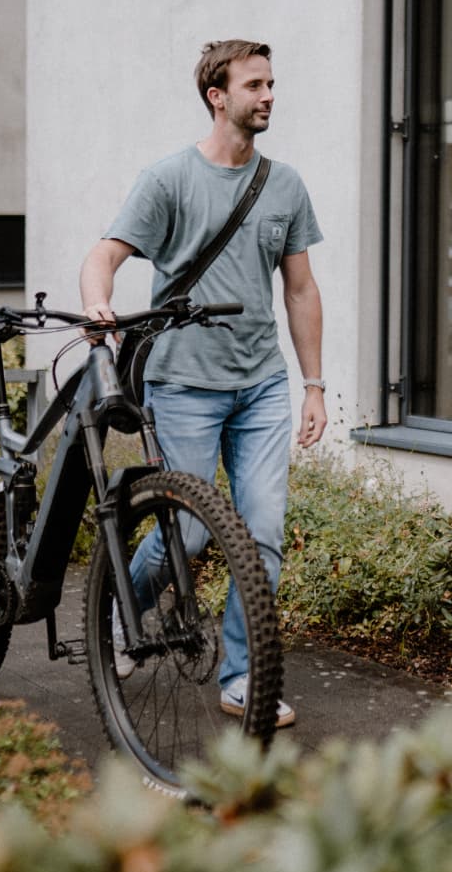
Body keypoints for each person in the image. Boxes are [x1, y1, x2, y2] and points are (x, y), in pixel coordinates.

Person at [78, 40, 324, 728]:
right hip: (184, 384)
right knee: (184, 531)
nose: (268, 94)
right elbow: (105, 254)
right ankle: (121, 614)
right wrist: (99, 302)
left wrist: (313, 384)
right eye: (255, 84)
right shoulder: (168, 179)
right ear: (218, 96)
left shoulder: (286, 184)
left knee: (262, 535)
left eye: (272, 82)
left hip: (263, 387)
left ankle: (244, 678)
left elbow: (300, 290)